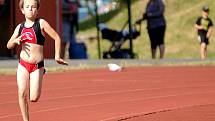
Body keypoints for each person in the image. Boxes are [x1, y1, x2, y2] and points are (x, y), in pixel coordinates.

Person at [7, 0, 68, 121]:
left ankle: (42, 71)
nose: (30, 9)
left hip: (37, 65)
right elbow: (8, 45)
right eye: (27, 6)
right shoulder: (20, 27)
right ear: (22, 10)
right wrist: (14, 41)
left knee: (33, 98)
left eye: (33, 7)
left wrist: (57, 56)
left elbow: (56, 37)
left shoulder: (41, 23)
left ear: (37, 10)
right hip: (23, 64)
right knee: (21, 92)